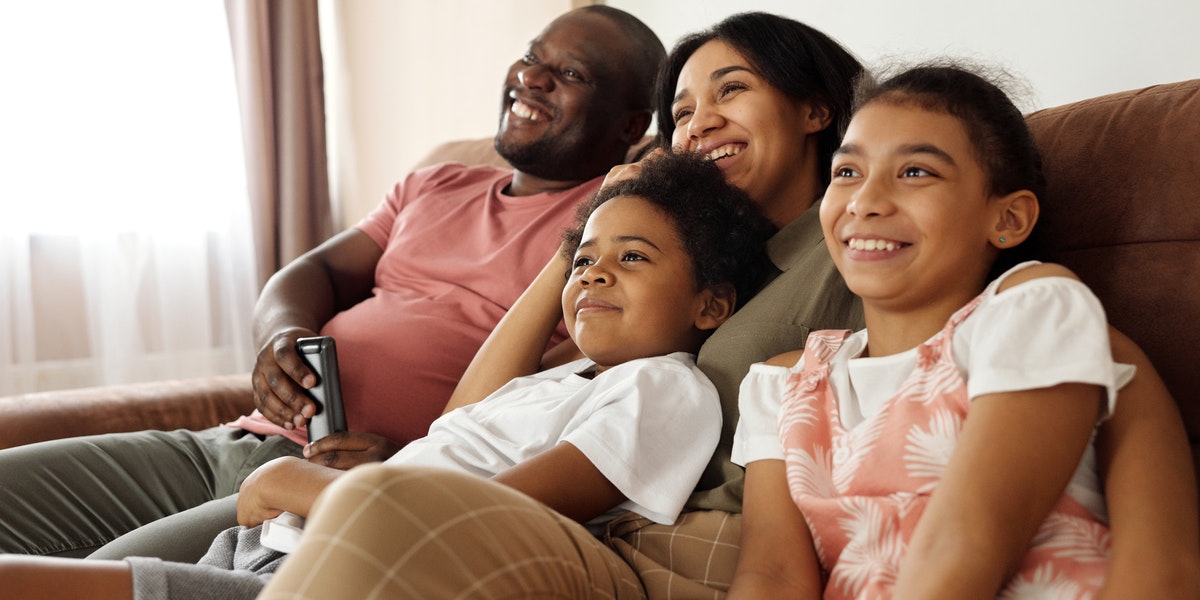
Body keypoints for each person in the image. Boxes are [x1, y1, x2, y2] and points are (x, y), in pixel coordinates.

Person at [0, 5, 666, 562]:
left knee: (89, 579)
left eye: (569, 74)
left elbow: (550, 404)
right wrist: (280, 336)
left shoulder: (606, 235)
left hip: (337, 483)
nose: (532, 78)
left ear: (630, 126)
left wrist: (418, 460)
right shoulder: (435, 183)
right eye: (532, 56)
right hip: (237, 442)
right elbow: (311, 272)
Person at [0, 151, 776, 600]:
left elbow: (482, 514)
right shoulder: (560, 380)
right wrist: (571, 257)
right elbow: (460, 419)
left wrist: (297, 488)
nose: (594, 277)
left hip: (341, 563)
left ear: (711, 303)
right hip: (285, 539)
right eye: (584, 262)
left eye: (631, 259)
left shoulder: (664, 388)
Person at [728, 63, 1140, 598]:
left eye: (916, 172)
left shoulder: (1033, 309)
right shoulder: (782, 386)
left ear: (1009, 219)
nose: (865, 201)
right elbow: (772, 576)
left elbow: (965, 544)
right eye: (847, 173)